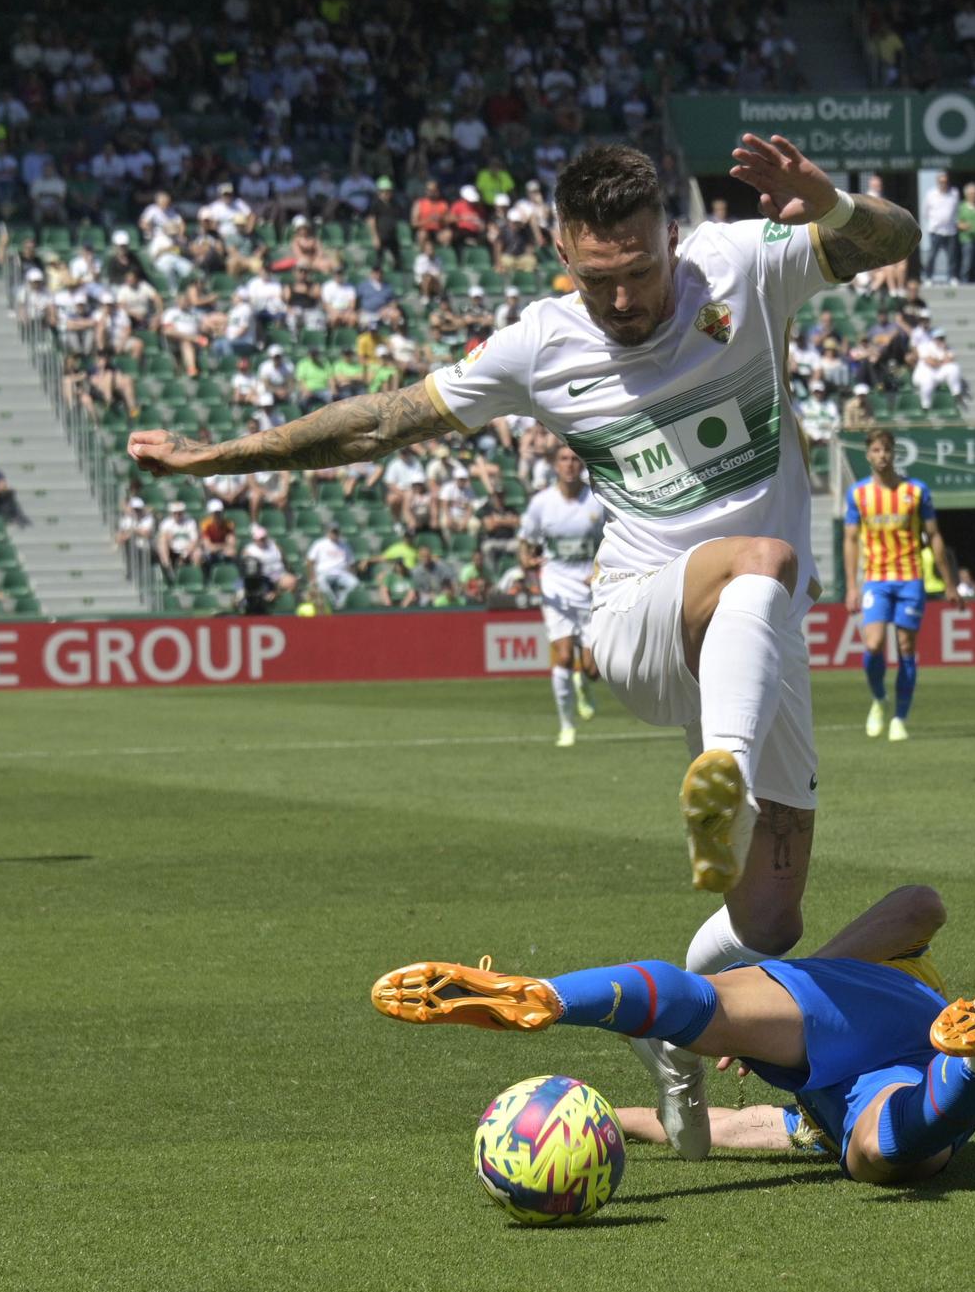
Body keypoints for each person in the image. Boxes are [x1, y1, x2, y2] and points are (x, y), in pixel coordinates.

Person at [129, 137, 920, 1161]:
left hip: (751, 634)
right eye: (599, 277)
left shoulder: (745, 262)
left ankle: (674, 1041)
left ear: (670, 238)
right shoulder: (540, 344)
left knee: (768, 920)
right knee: (762, 556)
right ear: (557, 247)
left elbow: (892, 240)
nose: (623, 297)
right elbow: (379, 422)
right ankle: (716, 766)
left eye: (638, 270)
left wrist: (833, 202)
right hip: (638, 617)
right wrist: (211, 458)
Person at [369, 883, 975, 1184]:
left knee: (880, 1153)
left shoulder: (811, 1119)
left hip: (875, 1021)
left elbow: (920, 906)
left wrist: (804, 974)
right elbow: (730, 1127)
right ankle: (547, 997)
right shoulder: (806, 1122)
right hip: (894, 1052)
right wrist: (603, 1118)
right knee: (878, 1150)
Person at [842, 429, 958, 743]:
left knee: (907, 647)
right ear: (868, 454)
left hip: (909, 578)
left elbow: (934, 536)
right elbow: (851, 539)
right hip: (876, 580)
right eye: (876, 450)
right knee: (873, 644)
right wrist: (852, 586)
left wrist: (949, 583)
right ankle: (880, 700)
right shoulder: (858, 494)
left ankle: (900, 718)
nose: (882, 456)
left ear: (894, 454)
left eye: (887, 450)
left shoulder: (916, 491)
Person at [518, 446, 606, 746]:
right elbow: (525, 543)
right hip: (555, 587)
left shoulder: (596, 500)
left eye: (574, 459)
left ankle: (586, 682)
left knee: (595, 669)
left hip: (589, 589)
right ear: (555, 465)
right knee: (564, 657)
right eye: (564, 460)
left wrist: (598, 568)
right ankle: (566, 726)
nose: (569, 465)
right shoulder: (542, 503)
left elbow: (612, 540)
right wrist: (527, 562)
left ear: (581, 465)